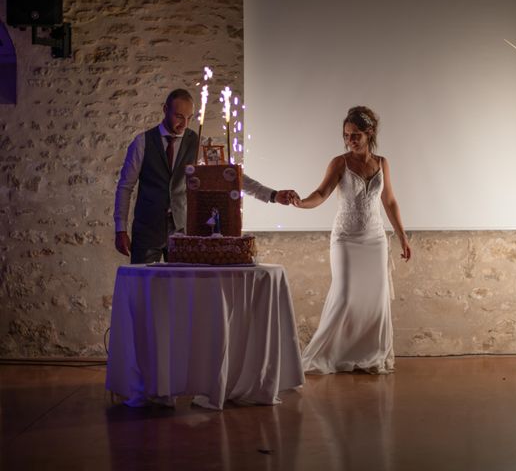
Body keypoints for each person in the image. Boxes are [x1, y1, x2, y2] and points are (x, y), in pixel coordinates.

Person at [114, 88, 298, 263]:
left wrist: (272, 195)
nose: (184, 124)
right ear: (165, 110)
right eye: (179, 116)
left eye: (189, 118)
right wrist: (120, 229)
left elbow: (231, 174)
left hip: (183, 231)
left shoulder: (198, 143)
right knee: (144, 289)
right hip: (147, 230)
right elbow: (125, 187)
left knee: (183, 289)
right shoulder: (142, 143)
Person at [293, 106, 411, 375]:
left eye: (355, 135)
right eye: (346, 135)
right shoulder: (339, 162)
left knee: (375, 299)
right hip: (346, 237)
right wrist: (301, 203)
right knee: (345, 296)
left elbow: (390, 201)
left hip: (375, 238)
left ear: (369, 133)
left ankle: (370, 355)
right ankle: (330, 355)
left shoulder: (382, 163)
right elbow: (321, 193)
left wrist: (403, 237)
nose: (350, 140)